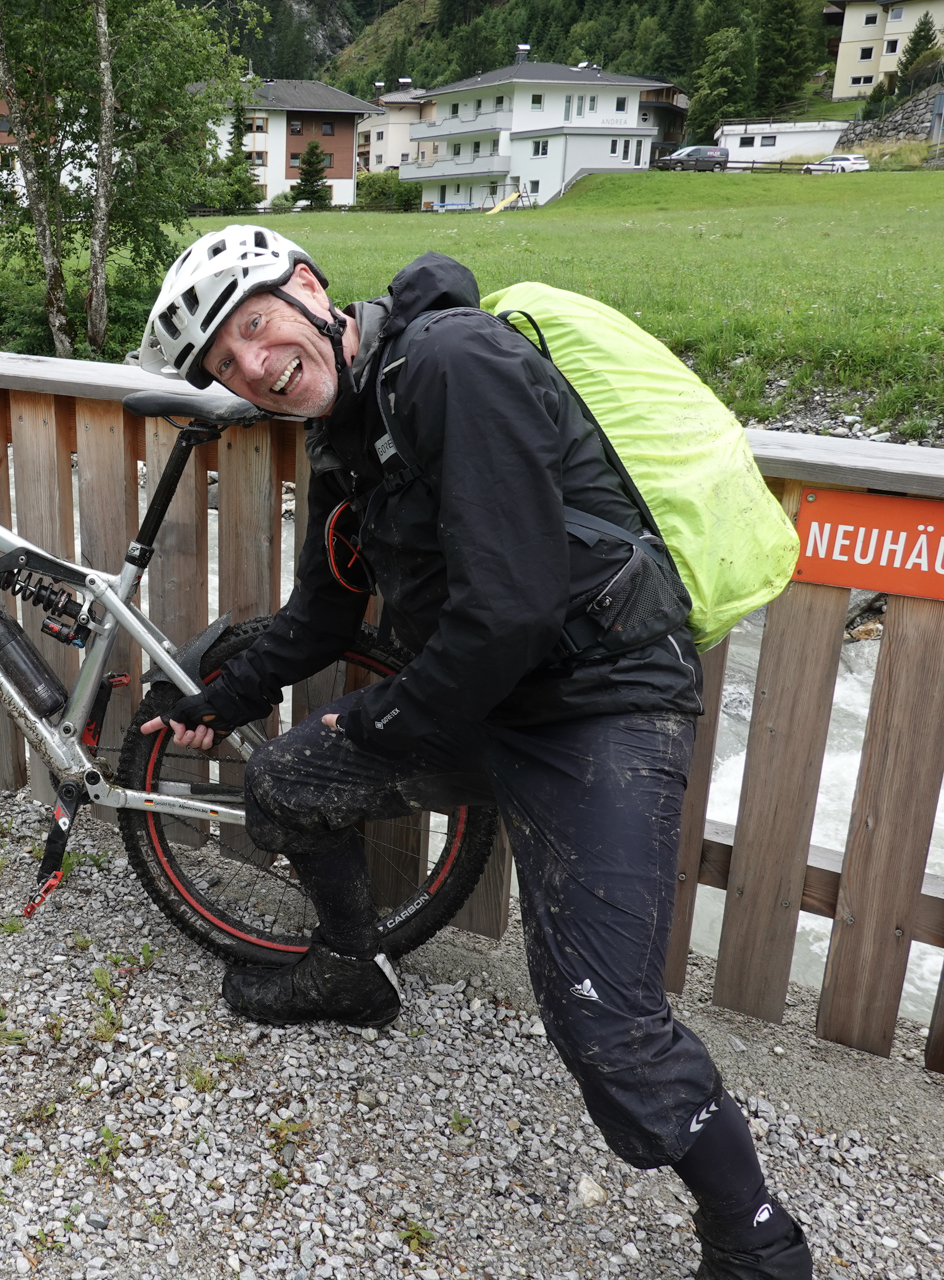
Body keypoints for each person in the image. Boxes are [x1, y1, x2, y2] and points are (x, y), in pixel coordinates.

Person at [132, 225, 812, 1280]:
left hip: (597, 708)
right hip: (478, 703)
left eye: (256, 326)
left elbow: (511, 606)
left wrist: (378, 724)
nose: (255, 366)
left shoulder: (451, 364)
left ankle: (757, 1240)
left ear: (310, 288)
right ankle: (349, 969)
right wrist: (223, 699)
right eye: (226, 362)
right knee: (287, 779)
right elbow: (322, 613)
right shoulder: (346, 439)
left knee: (604, 1021)